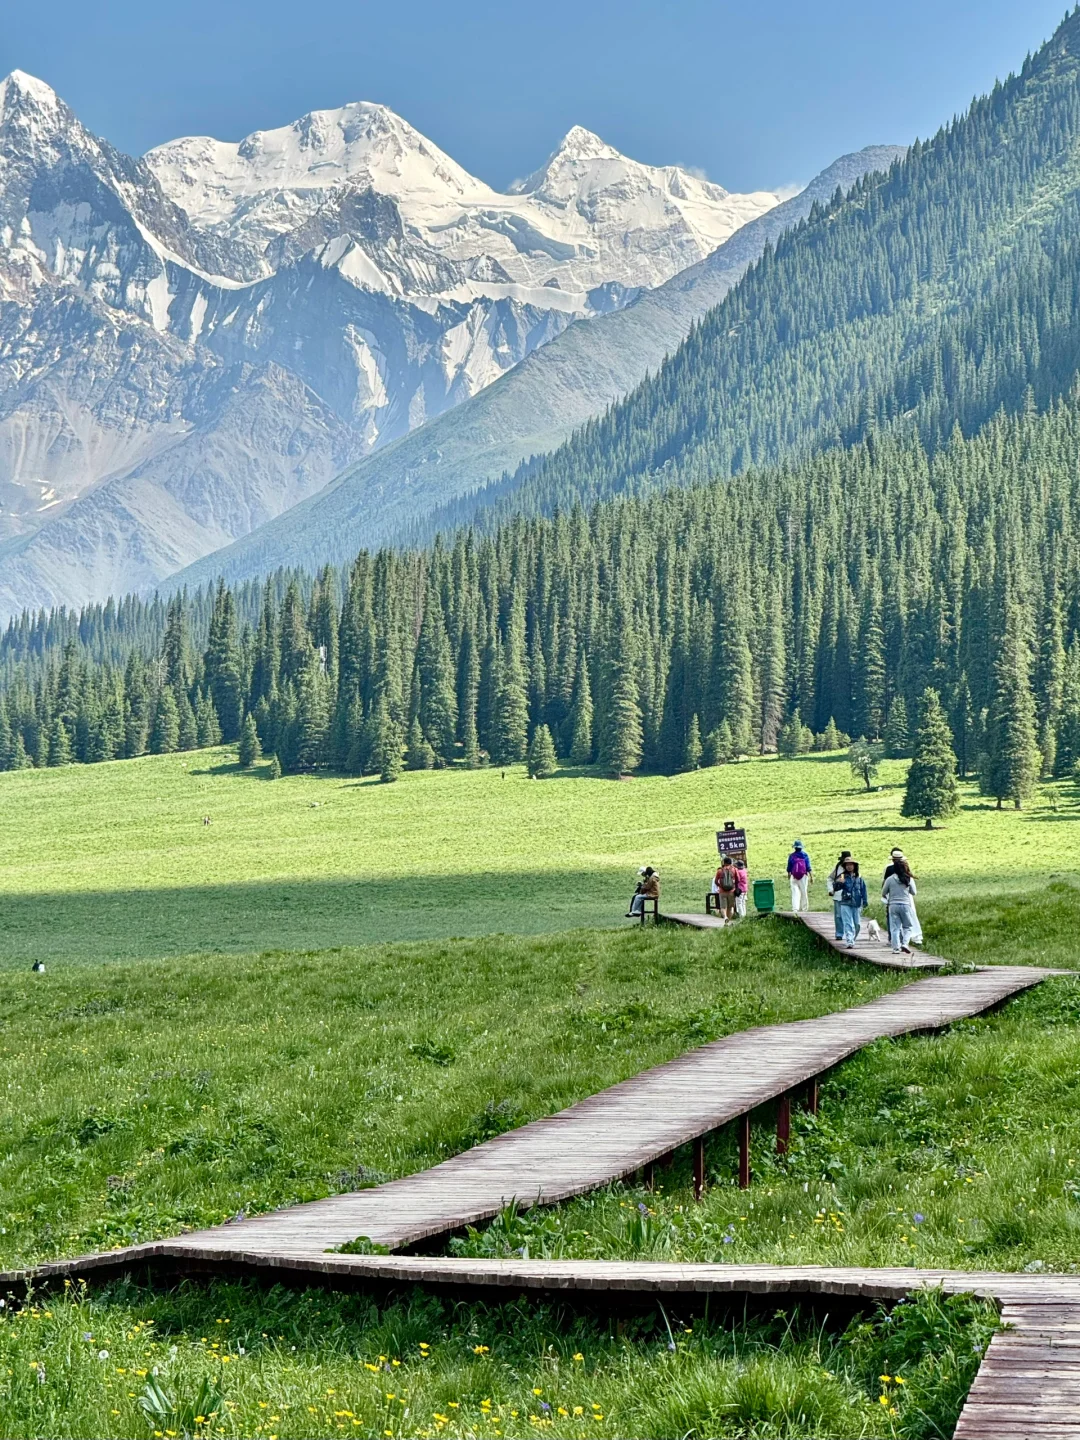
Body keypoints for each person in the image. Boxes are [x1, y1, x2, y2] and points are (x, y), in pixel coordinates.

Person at [883, 848, 923, 943]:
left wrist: (885, 896)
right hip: (906, 898)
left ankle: (895, 942)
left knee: (894, 922)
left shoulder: (888, 869)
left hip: (892, 897)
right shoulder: (906, 870)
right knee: (909, 919)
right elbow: (913, 891)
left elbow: (884, 884)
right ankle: (909, 940)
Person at [837, 857, 868, 948]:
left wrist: (865, 901)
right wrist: (839, 883)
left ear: (854, 866)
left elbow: (863, 889)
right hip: (845, 902)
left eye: (851, 864)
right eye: (847, 865)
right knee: (847, 922)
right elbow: (836, 888)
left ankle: (853, 938)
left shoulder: (859, 877)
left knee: (857, 924)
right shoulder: (842, 876)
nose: (849, 866)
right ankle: (849, 940)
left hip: (857, 902)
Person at [826, 850, 852, 939]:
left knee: (849, 915)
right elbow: (830, 878)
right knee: (838, 916)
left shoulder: (854, 868)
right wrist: (831, 889)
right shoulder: (838, 867)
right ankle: (839, 934)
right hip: (838, 895)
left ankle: (850, 934)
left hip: (849, 896)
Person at [787, 840, 812, 911]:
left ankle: (795, 908)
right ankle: (804, 908)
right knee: (804, 892)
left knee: (795, 892)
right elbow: (808, 867)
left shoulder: (791, 856)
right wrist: (811, 876)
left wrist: (789, 875)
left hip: (794, 876)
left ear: (794, 848)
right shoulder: (805, 855)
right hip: (803, 876)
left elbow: (789, 867)